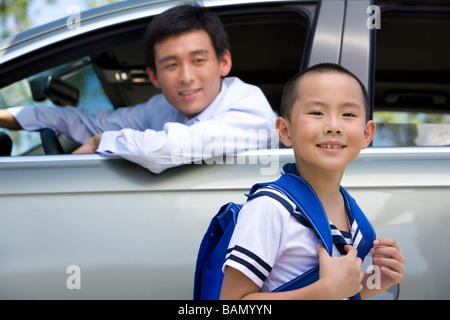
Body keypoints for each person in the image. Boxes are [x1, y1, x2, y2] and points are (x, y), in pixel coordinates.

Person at [0, 4, 277, 173]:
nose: (186, 77)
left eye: (198, 60)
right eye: (171, 65)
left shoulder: (249, 108)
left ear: (224, 62)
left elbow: (167, 147)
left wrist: (100, 142)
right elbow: (88, 121)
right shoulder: (162, 108)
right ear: (154, 76)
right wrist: (8, 117)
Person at [220, 63, 405, 300]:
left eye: (348, 114)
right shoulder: (271, 208)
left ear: (367, 134)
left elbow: (341, 293)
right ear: (285, 130)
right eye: (317, 112)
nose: (333, 126)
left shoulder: (349, 209)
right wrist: (323, 291)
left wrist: (376, 281)